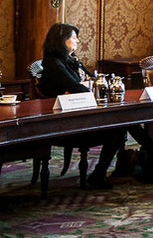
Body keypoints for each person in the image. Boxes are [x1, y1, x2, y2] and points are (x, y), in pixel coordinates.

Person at [38, 23, 126, 189]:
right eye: (73, 37)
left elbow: (91, 80)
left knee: (123, 122)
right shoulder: (53, 63)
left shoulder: (71, 59)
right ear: (61, 40)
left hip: (81, 112)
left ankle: (148, 154)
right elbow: (77, 87)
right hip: (64, 122)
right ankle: (99, 173)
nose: (77, 41)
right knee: (119, 128)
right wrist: (85, 85)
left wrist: (86, 84)